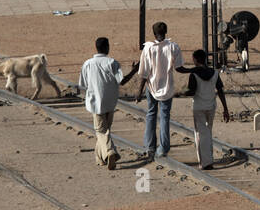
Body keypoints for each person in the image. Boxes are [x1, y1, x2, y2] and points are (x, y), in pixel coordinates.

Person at [130, 21, 184, 161]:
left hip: (151, 87)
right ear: (166, 32)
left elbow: (144, 73)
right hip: (167, 87)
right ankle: (163, 148)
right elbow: (178, 67)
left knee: (151, 114)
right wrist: (195, 70)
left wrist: (139, 91)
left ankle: (150, 147)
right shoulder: (173, 47)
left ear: (154, 34)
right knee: (165, 117)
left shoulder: (148, 48)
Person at [80, 37, 135, 170]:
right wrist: (134, 71)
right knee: (105, 131)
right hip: (110, 102)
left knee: (100, 131)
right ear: (107, 47)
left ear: (96, 47)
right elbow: (121, 81)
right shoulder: (112, 63)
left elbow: (83, 84)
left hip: (94, 103)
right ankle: (100, 159)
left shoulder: (87, 64)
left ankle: (110, 152)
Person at [184, 49, 228, 170]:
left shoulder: (193, 74)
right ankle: (208, 158)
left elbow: (192, 91)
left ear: (196, 60)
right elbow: (220, 90)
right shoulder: (214, 73)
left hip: (198, 107)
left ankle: (205, 162)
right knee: (208, 132)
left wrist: (182, 93)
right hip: (211, 107)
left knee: (200, 134)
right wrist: (225, 109)